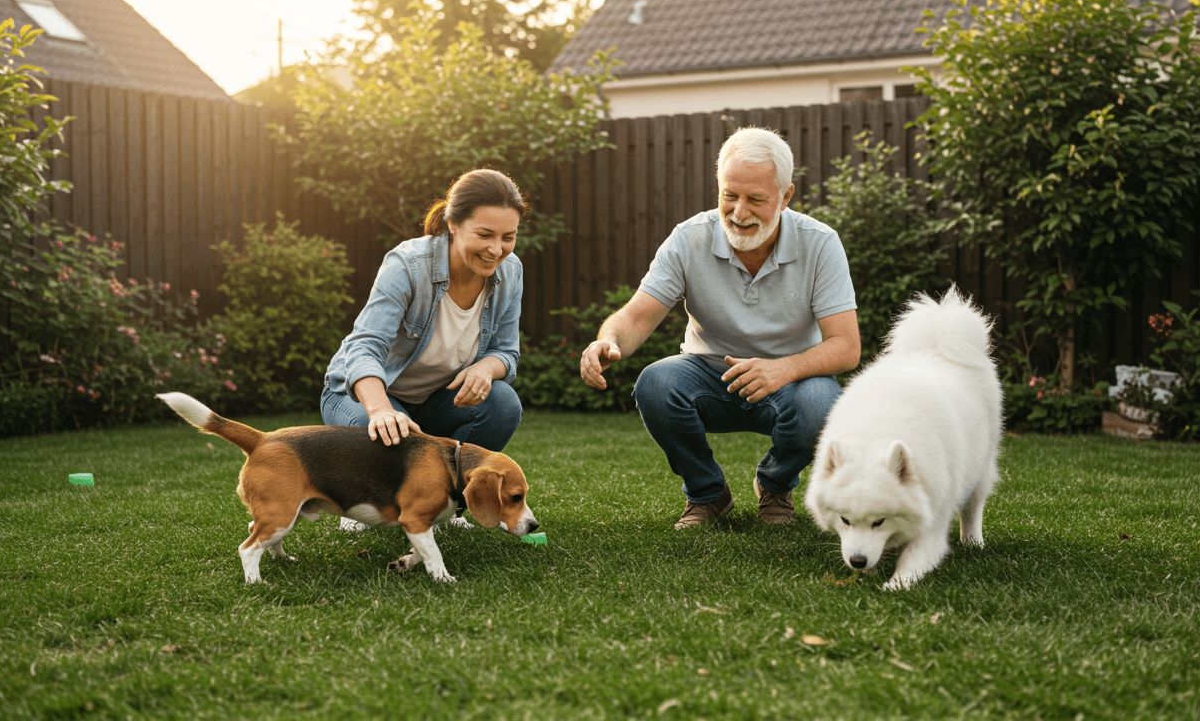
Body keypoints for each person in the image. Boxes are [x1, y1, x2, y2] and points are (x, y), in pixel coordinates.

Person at [579, 127, 860, 529]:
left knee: (823, 404)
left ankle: (775, 485)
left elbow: (846, 347)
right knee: (656, 384)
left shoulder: (820, 243)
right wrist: (607, 340)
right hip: (708, 376)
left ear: (786, 196)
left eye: (756, 199)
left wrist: (782, 369)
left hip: (789, 382)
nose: (739, 212)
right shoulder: (689, 238)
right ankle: (708, 495)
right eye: (730, 195)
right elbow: (638, 315)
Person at [323, 169, 525, 530]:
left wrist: (485, 369)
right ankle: (365, 505)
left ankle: (450, 507)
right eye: (484, 235)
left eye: (508, 237)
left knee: (502, 403)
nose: (497, 249)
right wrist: (382, 410)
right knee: (386, 437)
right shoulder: (408, 265)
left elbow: (507, 352)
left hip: (435, 401)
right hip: (364, 396)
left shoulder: (509, 272)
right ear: (453, 224)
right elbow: (363, 347)